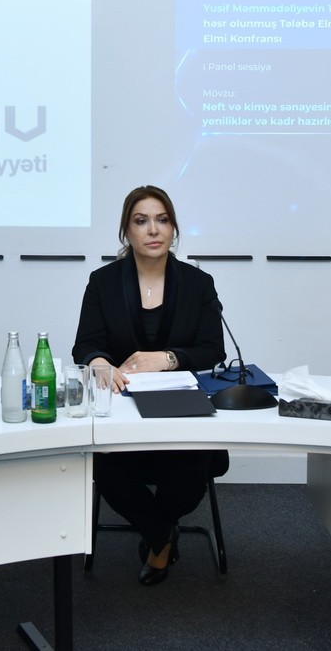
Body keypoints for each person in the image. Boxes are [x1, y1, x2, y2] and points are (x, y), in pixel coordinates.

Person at [73, 185, 225, 586]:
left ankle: (157, 534)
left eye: (162, 220)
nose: (153, 230)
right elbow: (85, 345)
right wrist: (100, 363)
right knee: (105, 466)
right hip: (124, 411)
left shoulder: (198, 283)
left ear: (174, 228)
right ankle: (161, 536)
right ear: (127, 231)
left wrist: (167, 358)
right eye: (141, 221)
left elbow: (213, 350)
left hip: (184, 412)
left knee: (190, 474)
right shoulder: (103, 282)